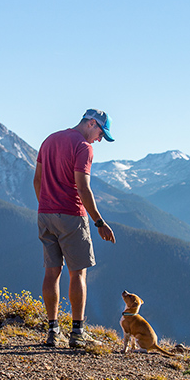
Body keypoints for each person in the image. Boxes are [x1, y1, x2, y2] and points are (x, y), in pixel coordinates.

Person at [33, 109, 116, 348]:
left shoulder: (49, 140)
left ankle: (52, 331)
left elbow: (37, 180)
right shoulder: (83, 147)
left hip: (45, 214)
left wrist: (46, 205)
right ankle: (77, 333)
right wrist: (99, 222)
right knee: (77, 273)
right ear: (91, 123)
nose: (99, 139)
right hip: (71, 215)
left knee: (51, 272)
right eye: (101, 133)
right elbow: (83, 187)